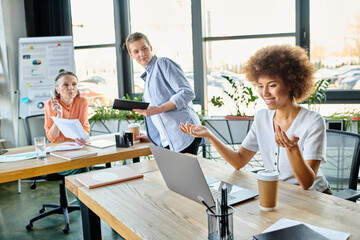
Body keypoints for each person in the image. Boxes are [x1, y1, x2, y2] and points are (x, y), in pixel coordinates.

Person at [180, 45, 330, 193]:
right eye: (260, 86)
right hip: (279, 193)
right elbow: (238, 161)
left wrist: (292, 149)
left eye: (272, 85)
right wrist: (209, 135)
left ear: (291, 84)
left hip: (314, 196)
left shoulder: (313, 121)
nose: (265, 93)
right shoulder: (262, 117)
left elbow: (307, 183)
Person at [126, 32, 203, 155]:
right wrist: (152, 135)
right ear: (131, 55)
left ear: (150, 47)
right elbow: (160, 117)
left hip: (184, 135)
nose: (142, 54)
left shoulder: (163, 63)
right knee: (176, 174)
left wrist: (158, 109)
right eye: (136, 51)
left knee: (184, 174)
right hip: (168, 140)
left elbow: (187, 92)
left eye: (144, 48)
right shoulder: (148, 78)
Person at [44, 71, 89, 175]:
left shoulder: (82, 102)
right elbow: (52, 138)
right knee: (82, 169)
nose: (71, 88)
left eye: (74, 84)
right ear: (57, 90)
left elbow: (84, 128)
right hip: (58, 151)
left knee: (89, 162)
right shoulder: (50, 105)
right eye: (65, 85)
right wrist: (59, 115)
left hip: (77, 148)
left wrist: (82, 138)